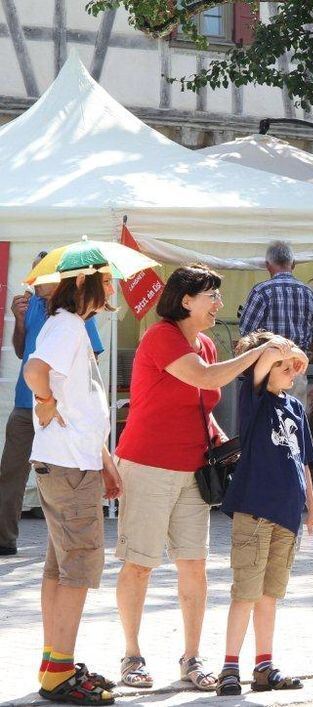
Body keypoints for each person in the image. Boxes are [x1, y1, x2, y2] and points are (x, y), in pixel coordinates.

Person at [114, 264, 280, 692]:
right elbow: (205, 378)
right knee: (140, 565)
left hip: (193, 468)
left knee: (195, 565)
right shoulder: (160, 336)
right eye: (212, 296)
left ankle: (191, 657)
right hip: (148, 464)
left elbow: (200, 402)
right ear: (186, 300)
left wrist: (219, 439)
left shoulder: (205, 342)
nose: (219, 304)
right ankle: (131, 655)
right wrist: (257, 354)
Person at [23, 263, 121, 705]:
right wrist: (44, 401)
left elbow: (80, 401)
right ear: (82, 282)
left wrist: (104, 459)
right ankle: (59, 673)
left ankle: (53, 664)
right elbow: (34, 373)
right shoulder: (66, 327)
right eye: (106, 278)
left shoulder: (67, 325)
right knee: (77, 568)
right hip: (68, 467)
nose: (112, 286)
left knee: (59, 568)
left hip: (68, 460)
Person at [215, 331, 313, 696]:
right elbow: (263, 360)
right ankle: (229, 667)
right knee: (245, 591)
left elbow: (303, 462)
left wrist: (312, 511)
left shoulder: (294, 408)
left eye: (292, 365)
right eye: (282, 365)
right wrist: (281, 351)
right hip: (255, 513)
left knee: (270, 594)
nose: (291, 369)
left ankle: (264, 665)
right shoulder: (253, 397)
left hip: (287, 516)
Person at [0, 251, 103, 557]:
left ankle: (63, 543)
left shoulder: (76, 315)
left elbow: (90, 362)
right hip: (24, 403)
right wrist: (18, 320)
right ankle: (5, 539)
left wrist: (60, 398)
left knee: (65, 474)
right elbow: (23, 355)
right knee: (11, 472)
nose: (33, 282)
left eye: (40, 275)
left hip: (60, 410)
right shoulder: (28, 306)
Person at [239, 240, 313, 401]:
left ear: (268, 265)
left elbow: (246, 332)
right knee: (294, 420)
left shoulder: (261, 291)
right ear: (293, 264)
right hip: (297, 367)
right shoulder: (310, 294)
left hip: (268, 367)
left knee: (267, 420)